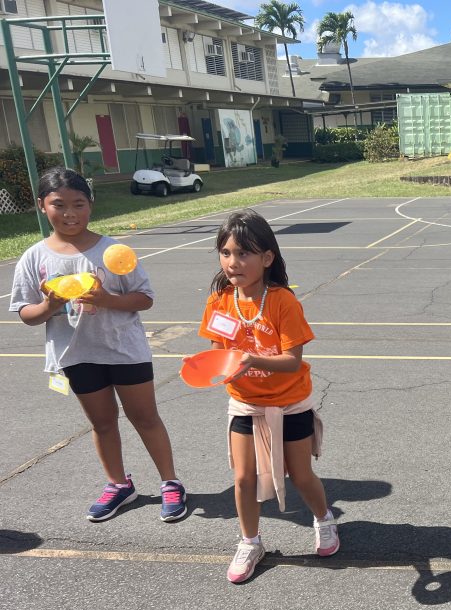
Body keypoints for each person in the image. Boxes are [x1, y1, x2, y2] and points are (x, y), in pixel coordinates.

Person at [9, 167, 187, 522]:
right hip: (76, 355)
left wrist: (106, 299)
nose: (69, 213)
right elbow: (26, 313)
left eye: (78, 204)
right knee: (103, 423)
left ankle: (171, 482)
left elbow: (144, 298)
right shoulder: (35, 257)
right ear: (42, 206)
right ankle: (119, 484)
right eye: (59, 205)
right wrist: (50, 305)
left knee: (145, 417)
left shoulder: (112, 251)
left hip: (124, 350)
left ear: (91, 204)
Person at [198, 209, 338, 584]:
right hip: (246, 404)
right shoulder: (218, 302)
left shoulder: (282, 302)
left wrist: (250, 360)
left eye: (243, 253)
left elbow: (292, 362)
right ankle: (250, 542)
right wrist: (206, 366)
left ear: (267, 258)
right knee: (244, 478)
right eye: (225, 253)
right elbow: (218, 353)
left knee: (301, 475)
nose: (233, 262)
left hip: (290, 402)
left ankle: (324, 519)